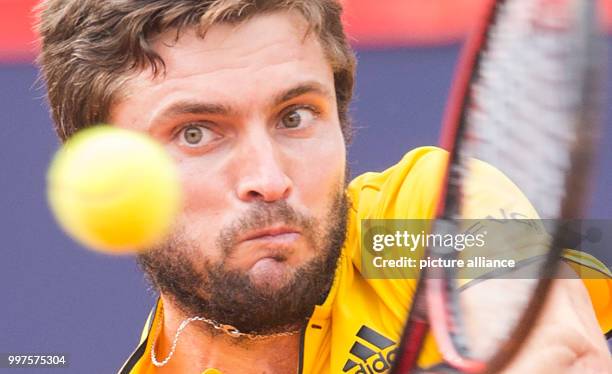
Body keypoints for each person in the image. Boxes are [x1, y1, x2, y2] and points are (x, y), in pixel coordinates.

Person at [36, 0, 611, 373]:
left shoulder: (412, 226)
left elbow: (558, 353)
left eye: (294, 116)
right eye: (196, 133)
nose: (269, 179)